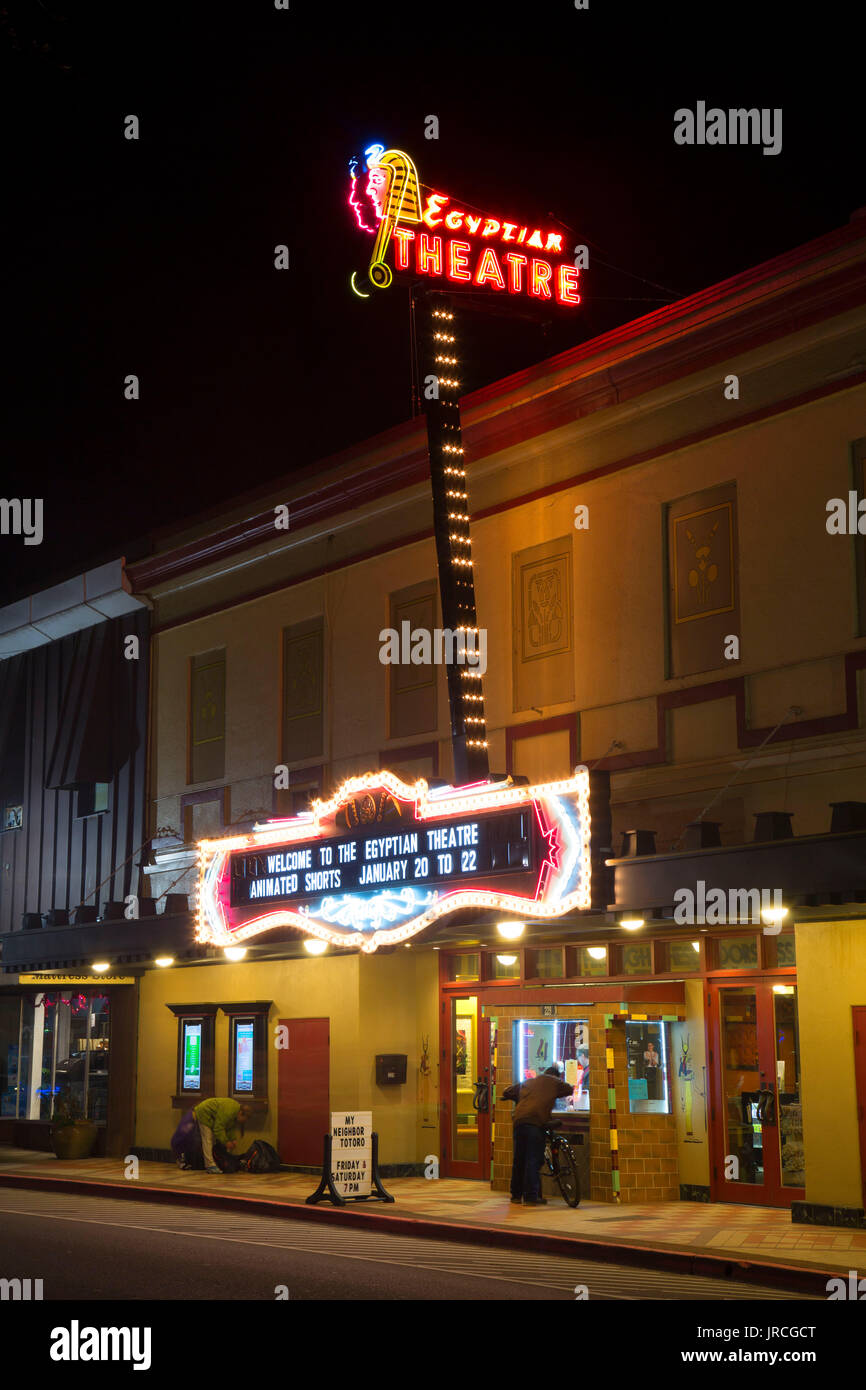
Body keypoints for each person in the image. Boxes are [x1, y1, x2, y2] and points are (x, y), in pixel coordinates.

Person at [502, 1064, 573, 1205]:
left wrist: (519, 1098)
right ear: (556, 1076)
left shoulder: (529, 1082)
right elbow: (569, 1089)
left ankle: (516, 1196)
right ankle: (530, 1197)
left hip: (519, 1122)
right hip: (535, 1122)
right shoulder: (554, 1081)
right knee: (532, 1159)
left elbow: (507, 1091)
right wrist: (554, 1093)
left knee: (519, 1159)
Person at [193, 1097, 252, 1174]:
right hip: (204, 1112)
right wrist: (226, 1142)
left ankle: (214, 1162)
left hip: (211, 1115)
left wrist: (232, 1139)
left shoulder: (235, 1111)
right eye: (243, 1119)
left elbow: (230, 1127)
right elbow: (218, 1128)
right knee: (208, 1139)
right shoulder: (229, 1111)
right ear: (241, 1113)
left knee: (213, 1141)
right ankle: (210, 1166)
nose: (242, 1122)